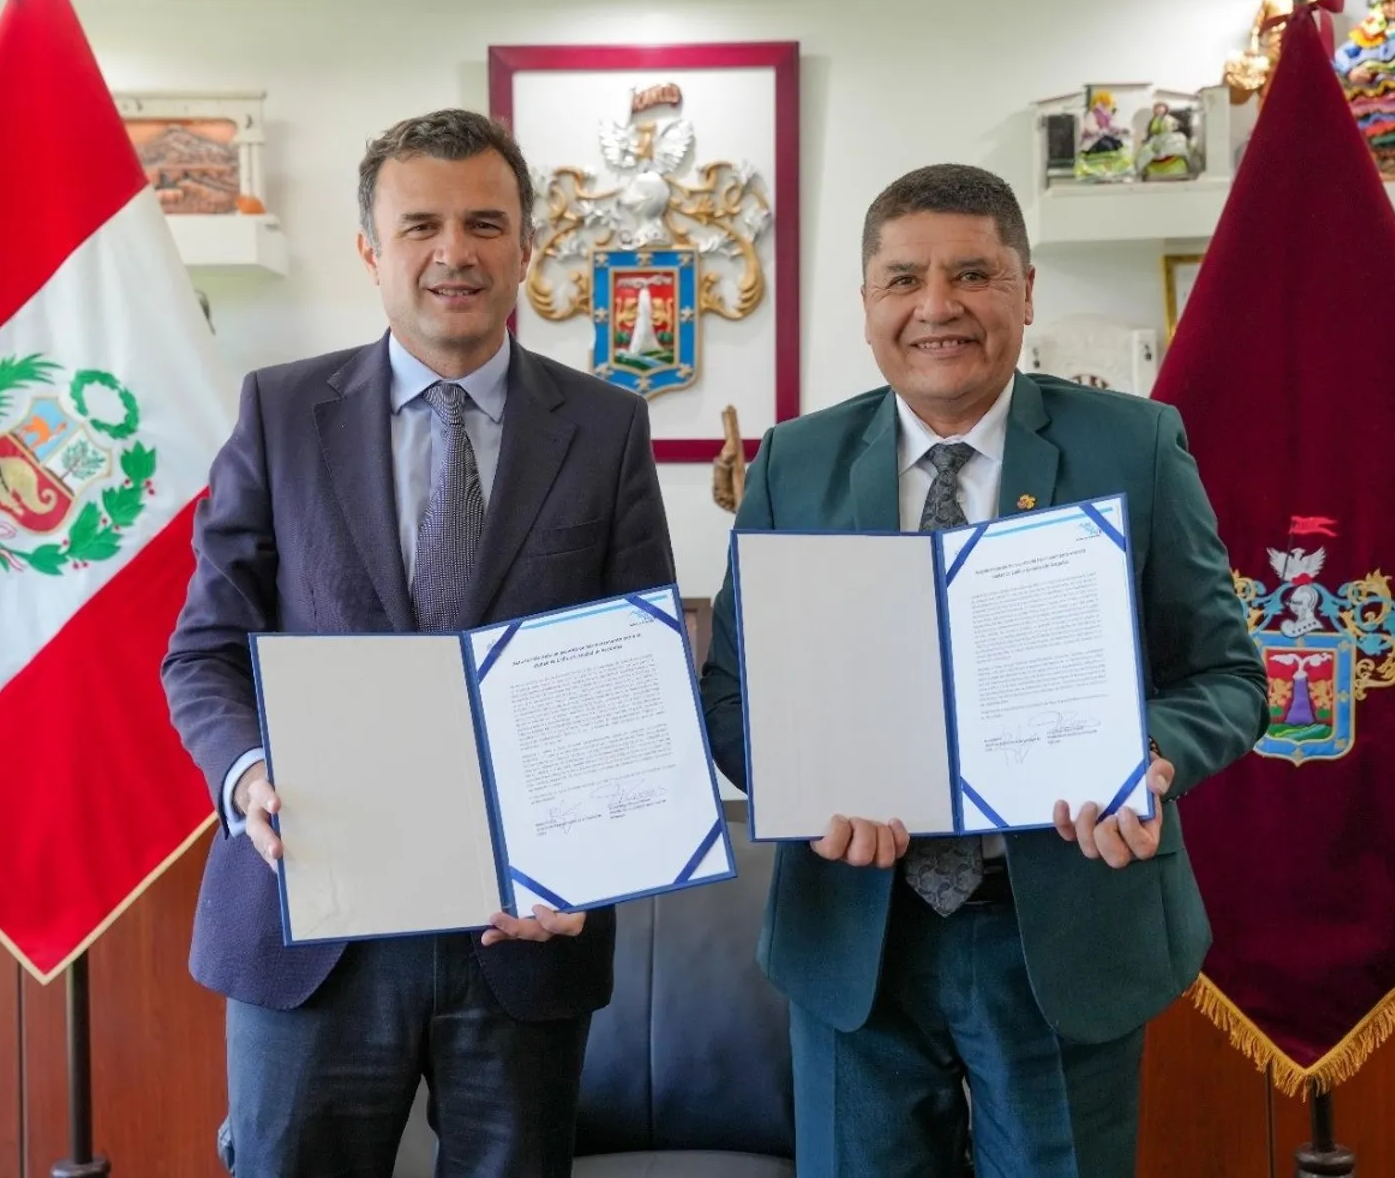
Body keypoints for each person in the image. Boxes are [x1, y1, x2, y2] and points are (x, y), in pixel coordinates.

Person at [698, 163, 1268, 1177]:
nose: (937, 307)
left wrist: (1151, 753)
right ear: (867, 304)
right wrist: (813, 784)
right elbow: (735, 696)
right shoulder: (793, 462)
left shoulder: (1131, 444)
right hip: (856, 931)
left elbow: (1227, 675)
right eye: (903, 280)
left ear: (1026, 290)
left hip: (1062, 924)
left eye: (973, 274)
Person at [163, 107, 677, 1177]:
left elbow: (641, 675)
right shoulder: (278, 412)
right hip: (315, 916)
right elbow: (204, 650)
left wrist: (594, 859)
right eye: (422, 226)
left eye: (487, 222)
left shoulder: (606, 427)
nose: (456, 252)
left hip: (524, 931)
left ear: (527, 248)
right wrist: (249, 773)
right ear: (370, 250)